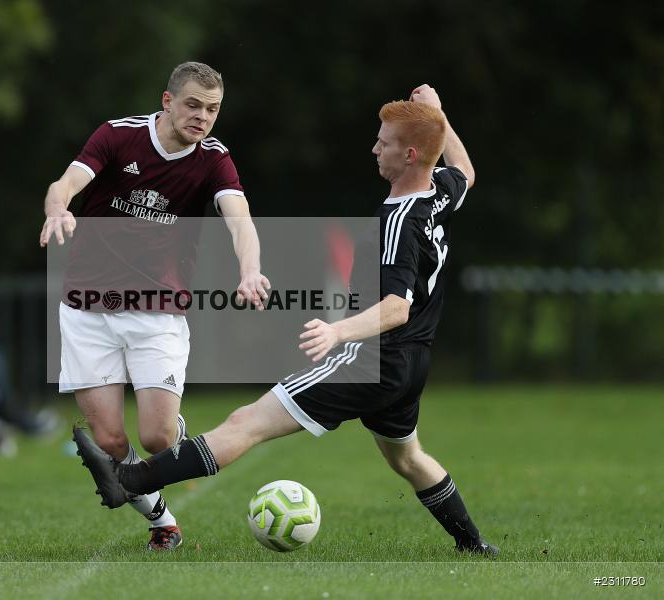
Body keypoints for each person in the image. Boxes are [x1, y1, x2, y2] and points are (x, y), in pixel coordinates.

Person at [76, 85, 499, 555]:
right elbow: (465, 171)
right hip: (413, 364)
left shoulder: (397, 221)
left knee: (247, 422)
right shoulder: (437, 192)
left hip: (371, 360)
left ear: (411, 154)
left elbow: (396, 308)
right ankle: (473, 544)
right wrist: (439, 117)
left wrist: (338, 331)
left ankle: (128, 479)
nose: (375, 148)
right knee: (408, 458)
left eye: (384, 142)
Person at [40, 62, 270, 550]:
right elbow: (65, 183)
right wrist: (58, 207)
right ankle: (164, 522)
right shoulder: (118, 136)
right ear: (167, 101)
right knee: (109, 442)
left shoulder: (213, 159)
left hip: (157, 313)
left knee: (158, 440)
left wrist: (249, 270)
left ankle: (172, 427)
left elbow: (240, 221)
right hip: (87, 310)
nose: (202, 117)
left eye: (212, 109)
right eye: (193, 105)